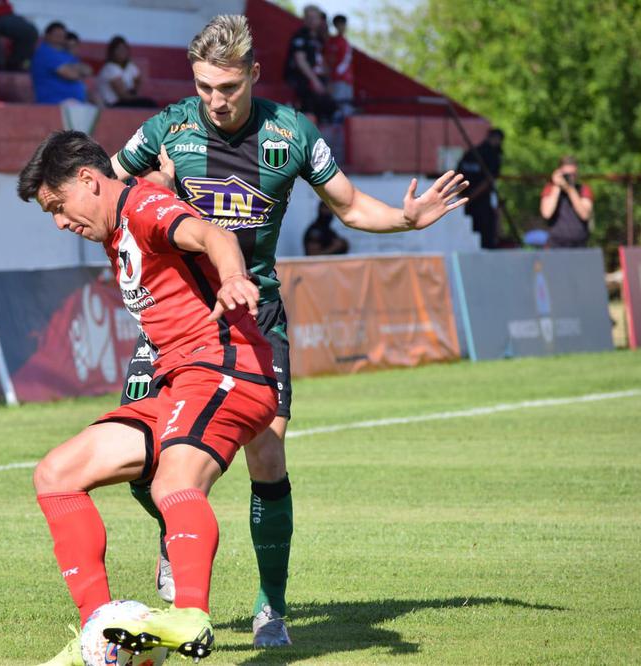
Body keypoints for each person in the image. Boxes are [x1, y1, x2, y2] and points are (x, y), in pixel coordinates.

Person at [110, 14, 468, 648]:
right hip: (176, 316)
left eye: (228, 87)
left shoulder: (292, 132)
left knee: (267, 454)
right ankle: (172, 531)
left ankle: (270, 606)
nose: (216, 100)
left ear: (254, 74)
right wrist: (153, 184)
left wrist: (406, 219)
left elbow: (349, 205)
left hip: (256, 317)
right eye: (204, 87)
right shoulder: (168, 127)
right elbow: (107, 189)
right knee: (141, 453)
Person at [20, 130, 278, 666]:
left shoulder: (142, 209)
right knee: (56, 474)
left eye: (58, 206)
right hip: (179, 380)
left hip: (226, 366)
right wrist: (159, 176)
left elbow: (211, 234)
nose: (60, 223)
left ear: (88, 180)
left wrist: (233, 277)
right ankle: (99, 635)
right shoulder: (125, 212)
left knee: (173, 483)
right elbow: (150, 194)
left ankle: (191, 616)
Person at [284, 5, 336, 123]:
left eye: (315, 17)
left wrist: (328, 81)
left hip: (318, 80)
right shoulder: (300, 36)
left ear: (320, 20)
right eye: (309, 17)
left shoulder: (320, 38)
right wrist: (315, 81)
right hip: (301, 80)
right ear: (304, 19)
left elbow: (323, 62)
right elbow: (300, 61)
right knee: (309, 106)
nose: (312, 20)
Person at [456, 127, 504, 249]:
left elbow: (458, 176)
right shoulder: (493, 155)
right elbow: (488, 181)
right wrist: (470, 197)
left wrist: (463, 197)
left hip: (465, 200)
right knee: (485, 238)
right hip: (481, 202)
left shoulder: (471, 152)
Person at [540, 155, 593, 248]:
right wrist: (557, 186)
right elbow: (546, 213)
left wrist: (570, 190)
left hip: (579, 244)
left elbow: (585, 215)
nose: (570, 178)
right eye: (566, 175)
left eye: (573, 174)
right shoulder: (550, 189)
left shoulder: (583, 189)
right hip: (555, 245)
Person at [31, 22, 89, 104]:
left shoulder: (65, 53)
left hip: (73, 102)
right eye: (56, 35)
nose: (59, 38)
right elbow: (71, 75)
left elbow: (88, 70)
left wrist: (74, 69)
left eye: (62, 35)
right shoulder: (44, 53)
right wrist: (77, 70)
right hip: (53, 102)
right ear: (47, 35)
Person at [97, 36, 158, 108]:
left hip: (126, 101)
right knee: (149, 104)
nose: (122, 52)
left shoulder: (129, 66)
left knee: (151, 103)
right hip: (113, 105)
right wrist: (134, 94)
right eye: (118, 49)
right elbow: (122, 95)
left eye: (124, 49)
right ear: (112, 52)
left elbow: (138, 81)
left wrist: (135, 90)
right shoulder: (109, 68)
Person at [323, 14, 354, 121]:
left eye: (344, 24)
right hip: (334, 80)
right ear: (335, 25)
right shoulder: (330, 42)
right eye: (339, 24)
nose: (342, 27)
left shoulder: (345, 43)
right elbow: (326, 60)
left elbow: (345, 62)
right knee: (336, 106)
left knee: (345, 107)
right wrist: (330, 79)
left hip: (344, 81)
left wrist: (334, 76)